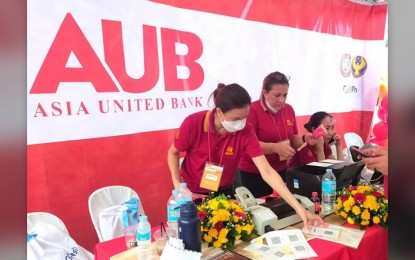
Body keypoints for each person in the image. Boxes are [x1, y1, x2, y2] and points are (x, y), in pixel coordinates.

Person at [167, 83, 323, 229]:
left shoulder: (246, 131)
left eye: (244, 117)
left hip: (225, 192)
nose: (241, 123)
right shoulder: (194, 123)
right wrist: (177, 186)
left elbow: (267, 172)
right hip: (193, 194)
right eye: (236, 119)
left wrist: (300, 209)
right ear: (219, 112)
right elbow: (173, 152)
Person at [237, 71, 303, 198]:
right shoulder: (251, 110)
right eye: (277, 95)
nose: (282, 100)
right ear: (265, 93)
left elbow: (293, 139)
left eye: (285, 95)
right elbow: (248, 145)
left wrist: (305, 139)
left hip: (281, 169)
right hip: (254, 172)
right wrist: (275, 148)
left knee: (281, 206)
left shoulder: (288, 109)